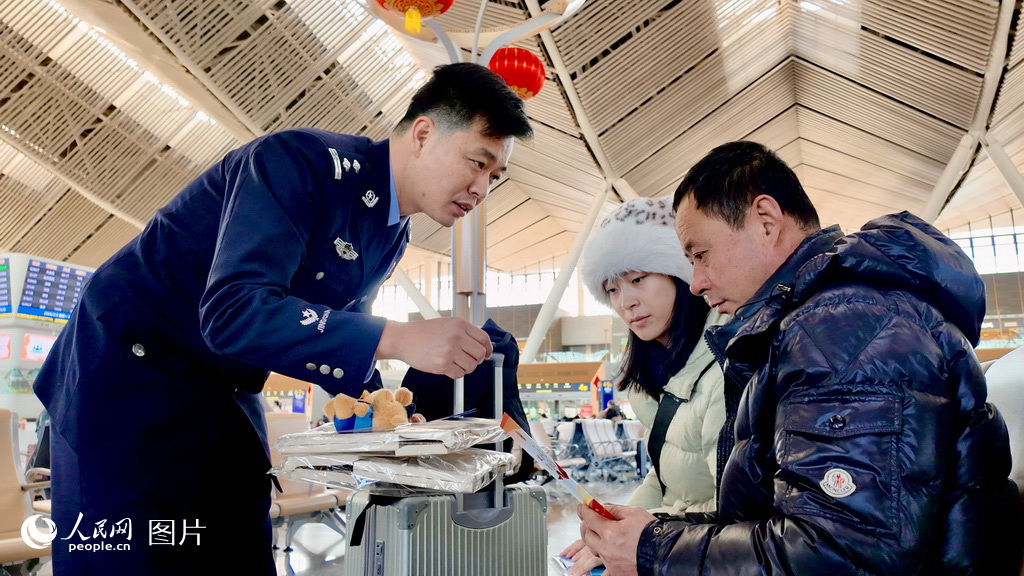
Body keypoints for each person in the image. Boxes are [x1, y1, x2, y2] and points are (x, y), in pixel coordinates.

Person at [33, 62, 532, 575]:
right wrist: (399, 337)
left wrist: (387, 416)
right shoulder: (297, 162)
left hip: (221, 389)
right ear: (423, 134)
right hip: (123, 380)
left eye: (495, 175)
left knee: (241, 544)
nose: (482, 188)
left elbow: (337, 329)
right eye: (477, 162)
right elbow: (233, 311)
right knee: (131, 560)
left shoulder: (392, 232)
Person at [577, 141, 1024, 575]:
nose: (696, 282)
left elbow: (839, 553)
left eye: (701, 255)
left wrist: (655, 550)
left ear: (766, 220)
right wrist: (653, 530)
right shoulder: (823, 321)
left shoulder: (846, 330)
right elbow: (789, 517)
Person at [560, 197, 729, 575]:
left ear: (679, 275)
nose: (627, 302)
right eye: (613, 289)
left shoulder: (724, 367)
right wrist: (611, 532)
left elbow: (732, 510)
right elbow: (664, 476)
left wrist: (638, 540)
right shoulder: (645, 379)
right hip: (678, 543)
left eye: (638, 279)